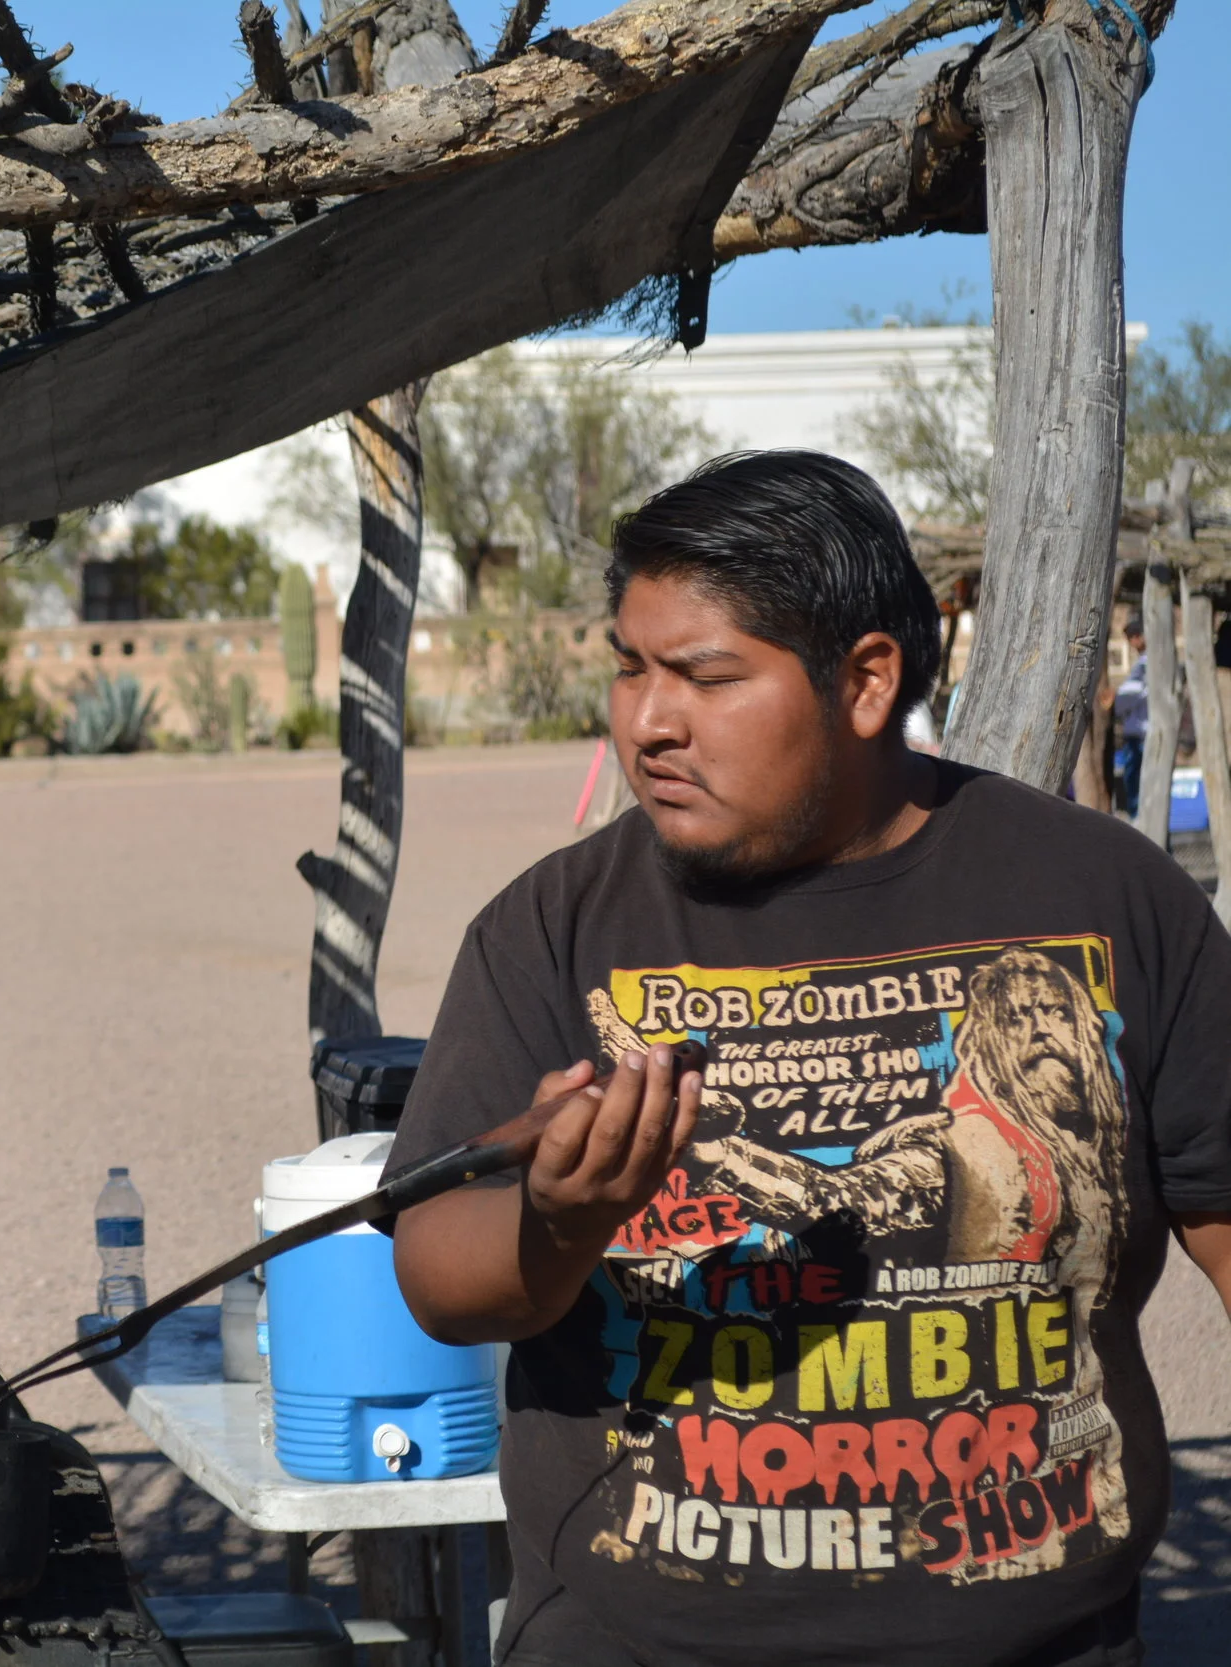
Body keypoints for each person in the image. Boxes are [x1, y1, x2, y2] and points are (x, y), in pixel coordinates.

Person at [381, 451, 1231, 1666]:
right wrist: (562, 1220)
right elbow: (440, 1278)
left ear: (866, 679)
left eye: (704, 675)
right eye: (629, 664)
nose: (646, 720)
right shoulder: (555, 925)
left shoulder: (1104, 894)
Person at [1112, 616, 1147, 818]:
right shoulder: (1144, 663)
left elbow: (1126, 697)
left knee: (1136, 794)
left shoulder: (1145, 665)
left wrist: (1116, 703)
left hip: (1139, 736)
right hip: (1141, 734)